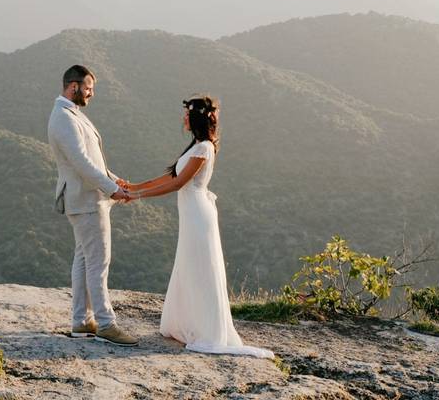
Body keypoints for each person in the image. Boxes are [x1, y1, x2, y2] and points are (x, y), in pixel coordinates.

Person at [127, 95, 274, 358]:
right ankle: (187, 323)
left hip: (198, 215)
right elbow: (170, 175)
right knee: (188, 264)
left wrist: (135, 197)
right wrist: (134, 186)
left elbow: (176, 184)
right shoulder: (195, 145)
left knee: (199, 266)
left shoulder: (204, 148)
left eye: (186, 114)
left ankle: (205, 329)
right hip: (191, 213)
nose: (183, 118)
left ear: (195, 117)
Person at [47, 64, 138, 346]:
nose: (91, 94)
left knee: (85, 260)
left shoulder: (72, 115)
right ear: (73, 87)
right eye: (88, 88)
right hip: (86, 201)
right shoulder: (63, 117)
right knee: (99, 262)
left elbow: (91, 159)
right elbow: (81, 163)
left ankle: (82, 321)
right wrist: (113, 190)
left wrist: (113, 178)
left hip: (87, 198)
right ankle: (106, 324)